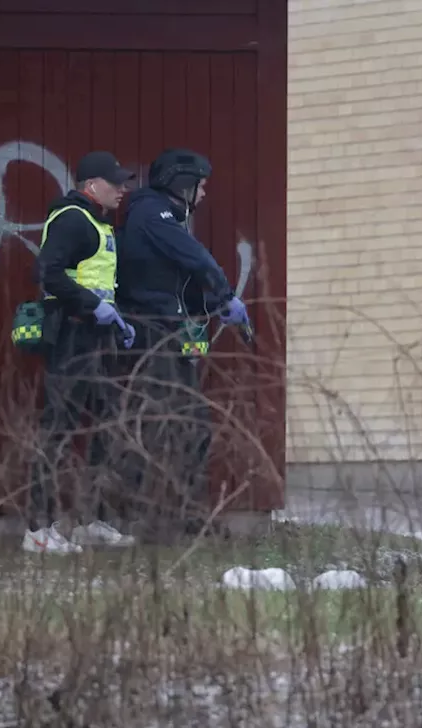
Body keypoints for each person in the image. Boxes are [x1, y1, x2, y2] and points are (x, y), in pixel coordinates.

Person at [114, 147, 249, 537]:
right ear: (181, 183)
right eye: (200, 186)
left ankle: (188, 515)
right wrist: (225, 295)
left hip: (167, 327)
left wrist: (212, 305)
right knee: (165, 424)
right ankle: (145, 515)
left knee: (190, 424)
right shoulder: (151, 214)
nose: (204, 194)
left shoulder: (162, 217)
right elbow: (197, 259)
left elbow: (172, 287)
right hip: (153, 331)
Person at [23, 150, 139, 555]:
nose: (123, 189)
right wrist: (93, 307)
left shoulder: (97, 222)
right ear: (92, 186)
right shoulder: (73, 219)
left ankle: (92, 521)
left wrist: (116, 320)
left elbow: (97, 280)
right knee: (58, 431)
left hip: (96, 337)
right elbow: (47, 272)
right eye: (116, 182)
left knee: (107, 427)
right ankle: (38, 530)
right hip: (72, 336)